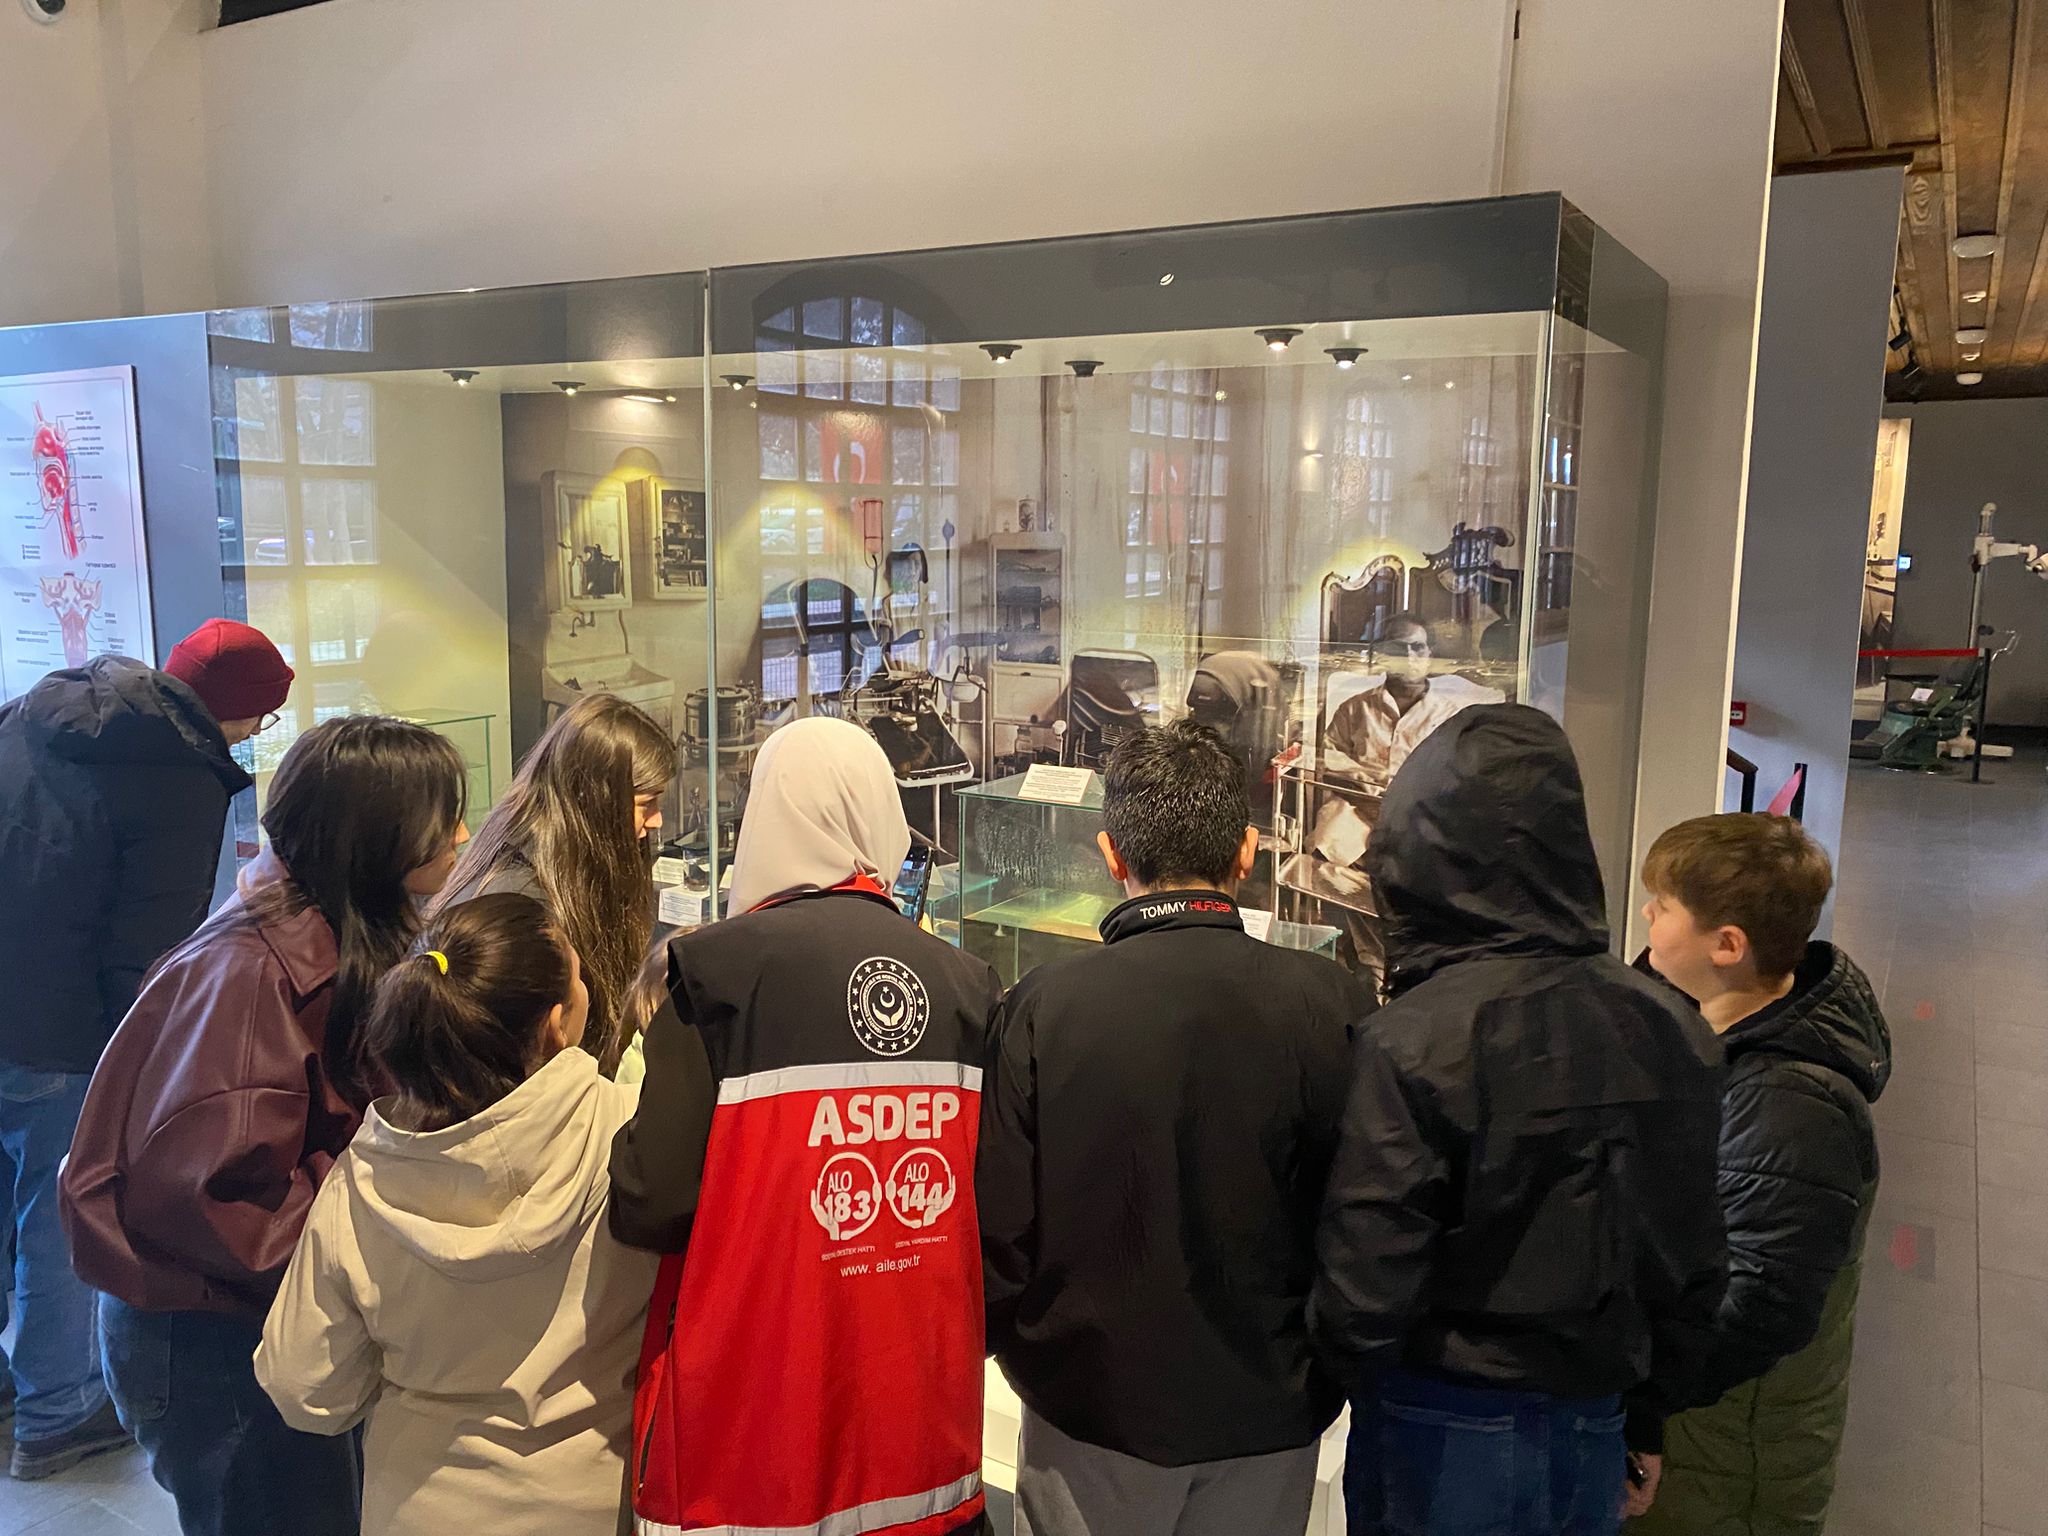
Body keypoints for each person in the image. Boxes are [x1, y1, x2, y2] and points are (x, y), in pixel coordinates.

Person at [1311, 704, 1727, 1536]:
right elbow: (1691, 1259)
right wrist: (1648, 1411)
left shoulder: (1414, 1039)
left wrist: (1331, 1377)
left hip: (1440, 1416)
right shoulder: (1671, 1025)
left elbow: (1370, 1275)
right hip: (1595, 1412)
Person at [60, 715, 468, 1536]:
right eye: (443, 818)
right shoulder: (252, 976)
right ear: (377, 836)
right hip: (211, 1337)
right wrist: (382, 1186)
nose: (462, 835)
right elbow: (217, 1204)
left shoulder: (326, 933)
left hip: (241, 1315)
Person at [978, 720, 1374, 1536]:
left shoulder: (1045, 1005)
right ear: (1247, 851)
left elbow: (1000, 1233)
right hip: (1273, 1408)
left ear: (1110, 855)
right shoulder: (1333, 1000)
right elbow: (1362, 1215)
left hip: (1092, 1410)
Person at [609, 716, 1000, 1536]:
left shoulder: (713, 975)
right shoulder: (968, 985)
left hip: (753, 1452)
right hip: (925, 1450)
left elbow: (651, 1201)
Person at [256, 894, 657, 1536]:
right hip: (592, 1503)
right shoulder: (634, 1137)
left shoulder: (362, 1180)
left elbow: (304, 1388)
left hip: (419, 1508)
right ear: (557, 1026)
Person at [0, 617, 292, 1478]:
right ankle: (57, 1410)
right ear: (239, 711)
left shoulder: (40, 709)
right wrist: (151, 1068)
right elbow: (150, 951)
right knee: (56, 1216)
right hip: (59, 1030)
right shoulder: (180, 776)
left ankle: (16, 1385)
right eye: (263, 715)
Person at [1626, 814, 1890, 1536]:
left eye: (1664, 906)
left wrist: (1642, 1406)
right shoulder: (1722, 1026)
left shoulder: (1789, 1104)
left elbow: (1757, 1306)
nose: (1646, 915)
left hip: (1728, 1442)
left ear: (1727, 945)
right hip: (1708, 1419)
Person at [438, 692, 676, 1075]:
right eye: (646, 803)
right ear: (597, 799)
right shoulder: (521, 903)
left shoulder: (565, 867)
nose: (657, 820)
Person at [1301, 612, 1502, 985]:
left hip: (1419, 817)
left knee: (1407, 874)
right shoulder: (1356, 708)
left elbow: (1463, 774)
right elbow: (1327, 756)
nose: (1409, 656)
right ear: (1383, 654)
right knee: (1332, 853)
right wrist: (1360, 776)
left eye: (1417, 647)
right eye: (1398, 647)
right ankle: (1374, 961)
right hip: (1359, 812)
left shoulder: (1450, 715)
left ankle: (1394, 961)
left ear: (1429, 655)